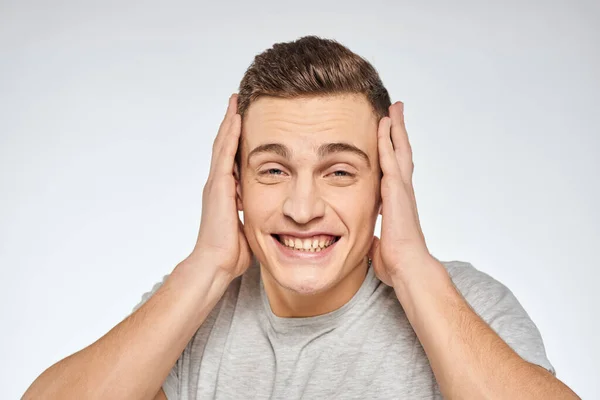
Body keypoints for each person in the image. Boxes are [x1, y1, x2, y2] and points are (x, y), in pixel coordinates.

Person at [23, 36, 580, 400]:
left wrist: (413, 269)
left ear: (386, 185)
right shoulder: (190, 312)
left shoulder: (466, 306)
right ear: (233, 184)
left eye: (339, 171)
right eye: (272, 171)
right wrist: (206, 267)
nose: (303, 208)